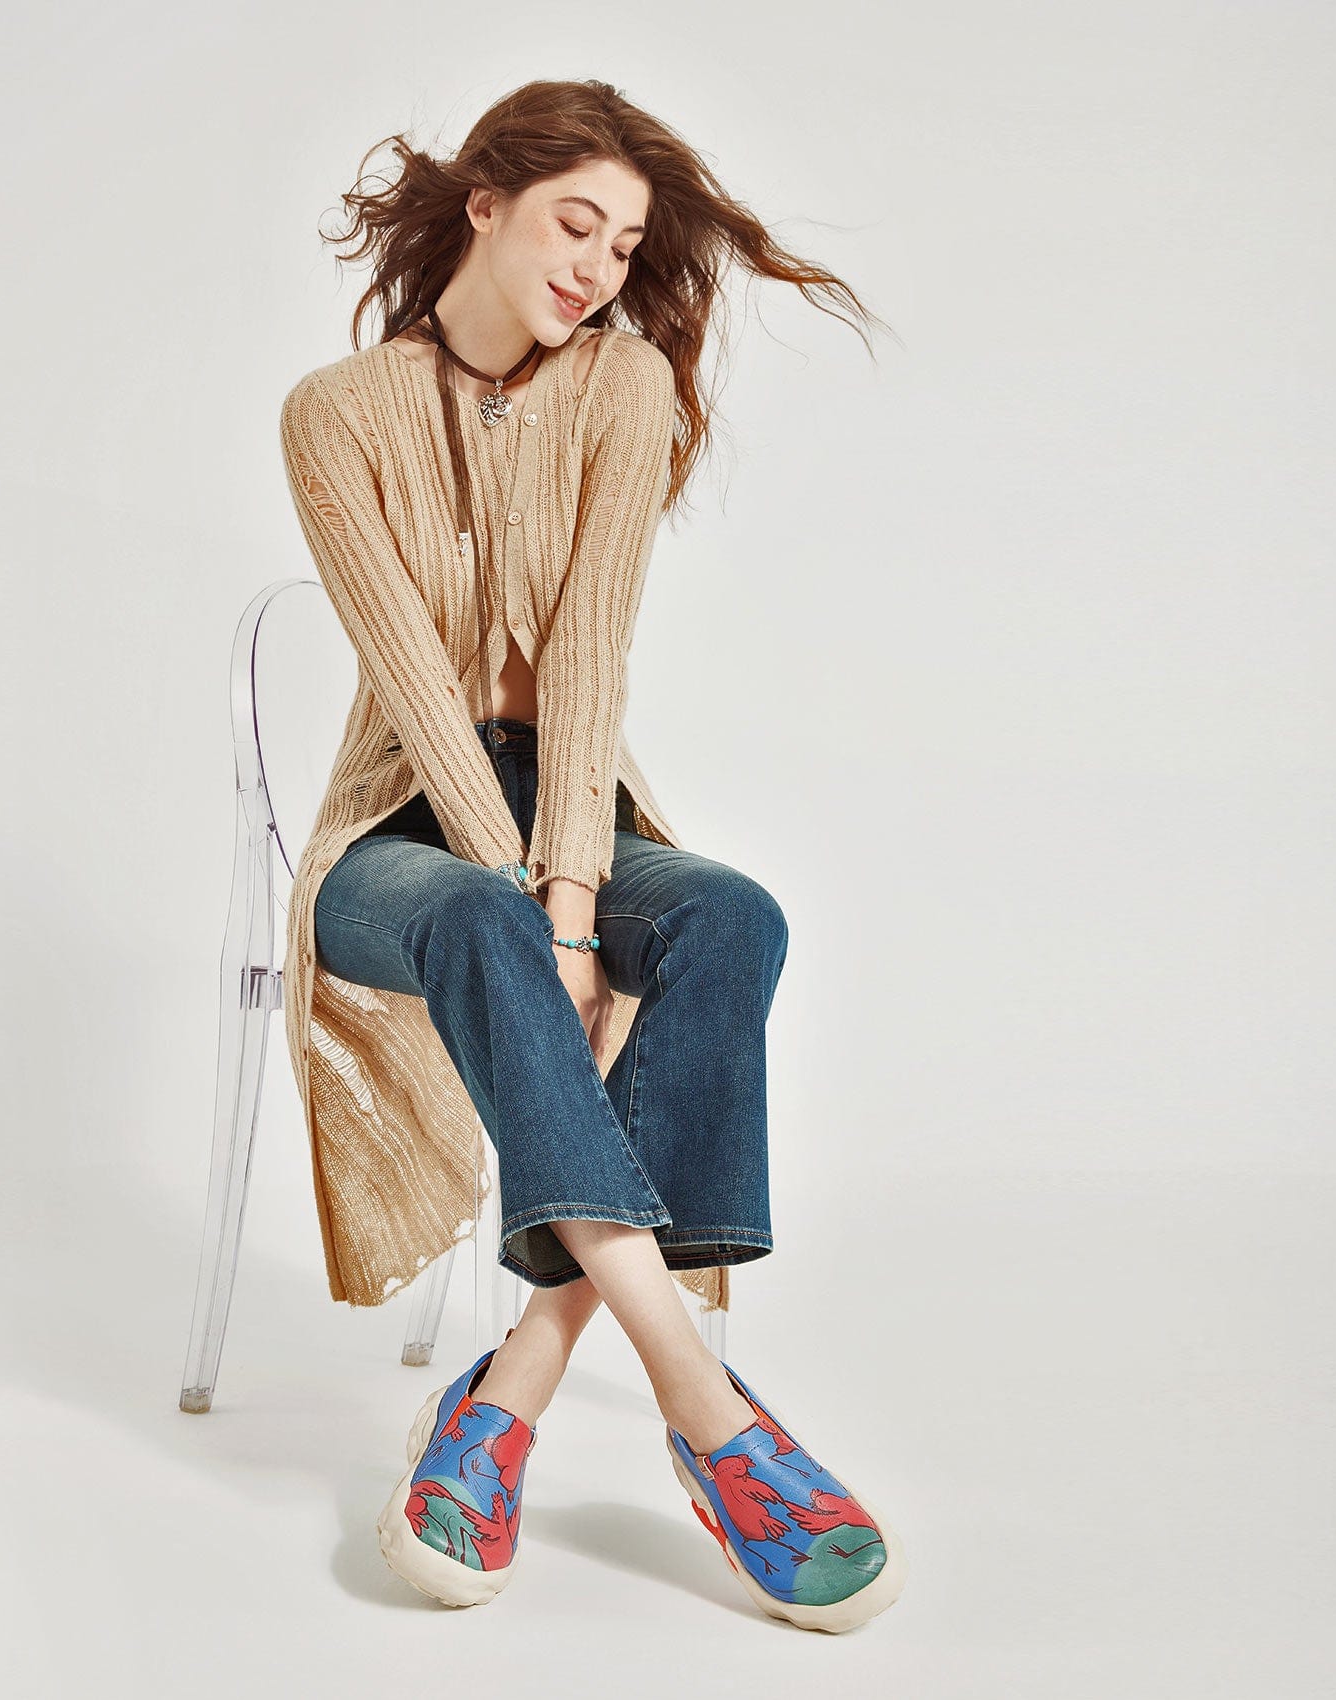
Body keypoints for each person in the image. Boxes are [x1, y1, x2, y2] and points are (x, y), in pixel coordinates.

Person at [277, 78, 906, 1630]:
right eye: (576, 223)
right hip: (397, 832)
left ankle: (511, 1390)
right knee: (486, 927)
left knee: (730, 917)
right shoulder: (334, 412)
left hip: (580, 813)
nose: (599, 266)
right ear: (485, 202)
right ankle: (708, 1408)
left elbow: (588, 655)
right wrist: (522, 903)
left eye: (624, 245)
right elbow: (419, 689)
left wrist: (572, 894)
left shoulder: (623, 386)